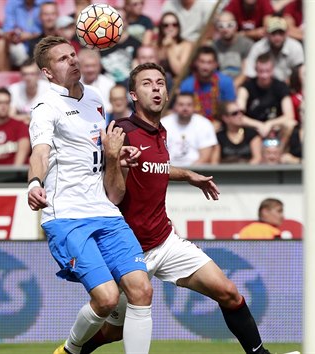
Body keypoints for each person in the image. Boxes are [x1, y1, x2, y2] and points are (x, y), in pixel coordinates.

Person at [79, 62, 273, 354]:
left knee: (229, 293)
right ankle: (74, 351)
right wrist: (113, 158)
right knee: (112, 332)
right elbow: (113, 194)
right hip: (126, 250)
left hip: (164, 242)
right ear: (133, 94)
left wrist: (187, 175)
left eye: (160, 83)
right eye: (146, 83)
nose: (155, 88)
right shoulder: (122, 131)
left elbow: (155, 167)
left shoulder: (162, 131)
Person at [27, 36, 152, 354]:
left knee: (141, 290)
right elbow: (39, 153)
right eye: (61, 59)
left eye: (73, 54)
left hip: (105, 211)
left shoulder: (96, 98)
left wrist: (118, 156)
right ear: (48, 72)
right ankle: (69, 351)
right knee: (107, 298)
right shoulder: (45, 108)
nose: (72, 60)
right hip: (68, 216)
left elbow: (97, 151)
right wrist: (34, 183)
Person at [179, 45, 236, 123]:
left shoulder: (226, 82)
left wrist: (219, 123)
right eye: (202, 62)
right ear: (196, 63)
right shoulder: (187, 85)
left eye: (209, 62)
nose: (205, 67)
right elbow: (183, 110)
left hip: (221, 125)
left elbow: (231, 109)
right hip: (194, 124)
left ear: (215, 64)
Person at [161, 93, 218, 166]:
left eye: (189, 105)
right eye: (181, 104)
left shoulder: (204, 124)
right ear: (175, 106)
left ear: (194, 107)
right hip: (168, 170)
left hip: (197, 171)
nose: (185, 108)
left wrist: (188, 173)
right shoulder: (163, 124)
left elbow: (205, 157)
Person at [244, 17, 305, 83]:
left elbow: (299, 73)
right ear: (266, 34)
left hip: (289, 86)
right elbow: (250, 73)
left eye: (281, 33)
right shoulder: (258, 47)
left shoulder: (295, 47)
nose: (277, 37)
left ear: (286, 33)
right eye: (273, 33)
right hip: (263, 87)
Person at [212, 11, 254, 88]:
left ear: (236, 26)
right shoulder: (213, 47)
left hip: (241, 85)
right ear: (217, 29)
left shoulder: (246, 44)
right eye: (221, 26)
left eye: (230, 25)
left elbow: (245, 73)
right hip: (219, 85)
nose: (225, 29)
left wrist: (231, 87)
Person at [8, 58, 50, 123]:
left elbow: (51, 115)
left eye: (32, 74)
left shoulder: (48, 88)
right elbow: (10, 116)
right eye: (25, 74)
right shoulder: (14, 89)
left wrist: (27, 118)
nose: (28, 78)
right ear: (21, 76)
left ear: (38, 75)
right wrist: (27, 118)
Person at [155, 12, 193, 80]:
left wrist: (170, 47)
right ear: (161, 28)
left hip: (179, 84)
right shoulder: (155, 45)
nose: (170, 28)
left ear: (178, 27)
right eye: (166, 25)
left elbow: (180, 71)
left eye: (174, 25)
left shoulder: (186, 45)